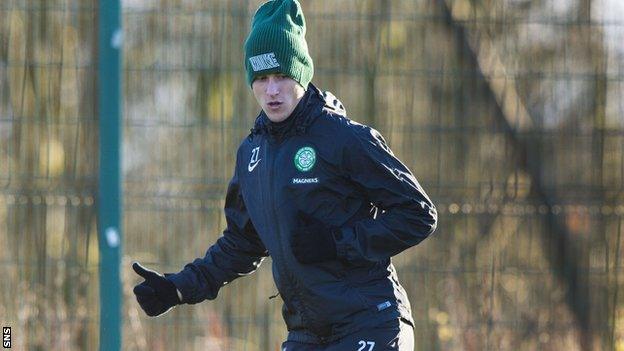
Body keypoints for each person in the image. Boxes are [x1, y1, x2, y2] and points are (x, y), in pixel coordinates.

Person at [132, 0, 437, 349]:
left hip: (370, 321)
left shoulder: (345, 139)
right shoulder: (252, 154)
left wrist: (338, 243)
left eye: (281, 76)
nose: (272, 90)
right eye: (261, 78)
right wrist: (180, 286)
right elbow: (242, 243)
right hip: (307, 333)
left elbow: (418, 214)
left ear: (301, 73)